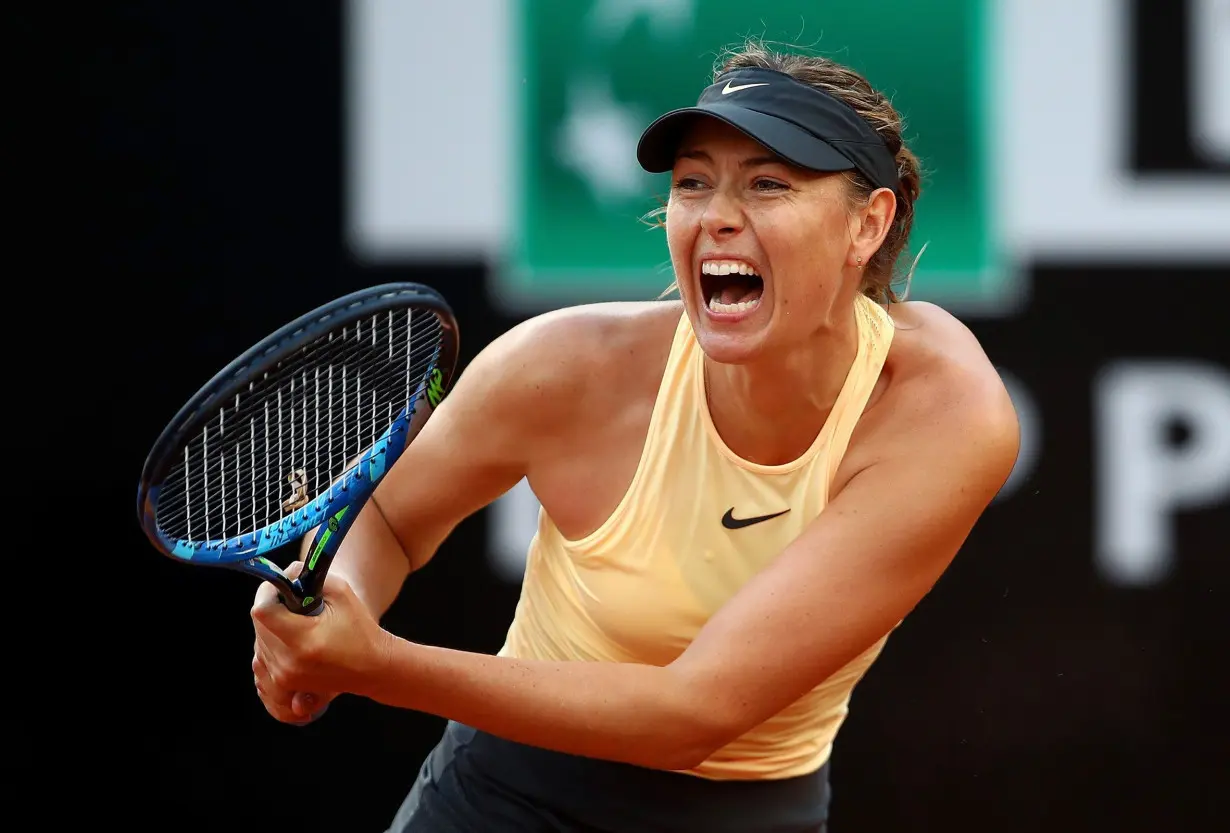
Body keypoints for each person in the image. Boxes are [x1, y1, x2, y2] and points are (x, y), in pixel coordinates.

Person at [250, 39, 1020, 832]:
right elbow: (385, 518)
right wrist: (335, 597)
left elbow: (696, 708)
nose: (718, 216)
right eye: (694, 183)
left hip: (753, 812)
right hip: (502, 800)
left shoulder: (940, 414)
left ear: (869, 224)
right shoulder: (560, 367)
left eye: (767, 184)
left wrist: (373, 665)